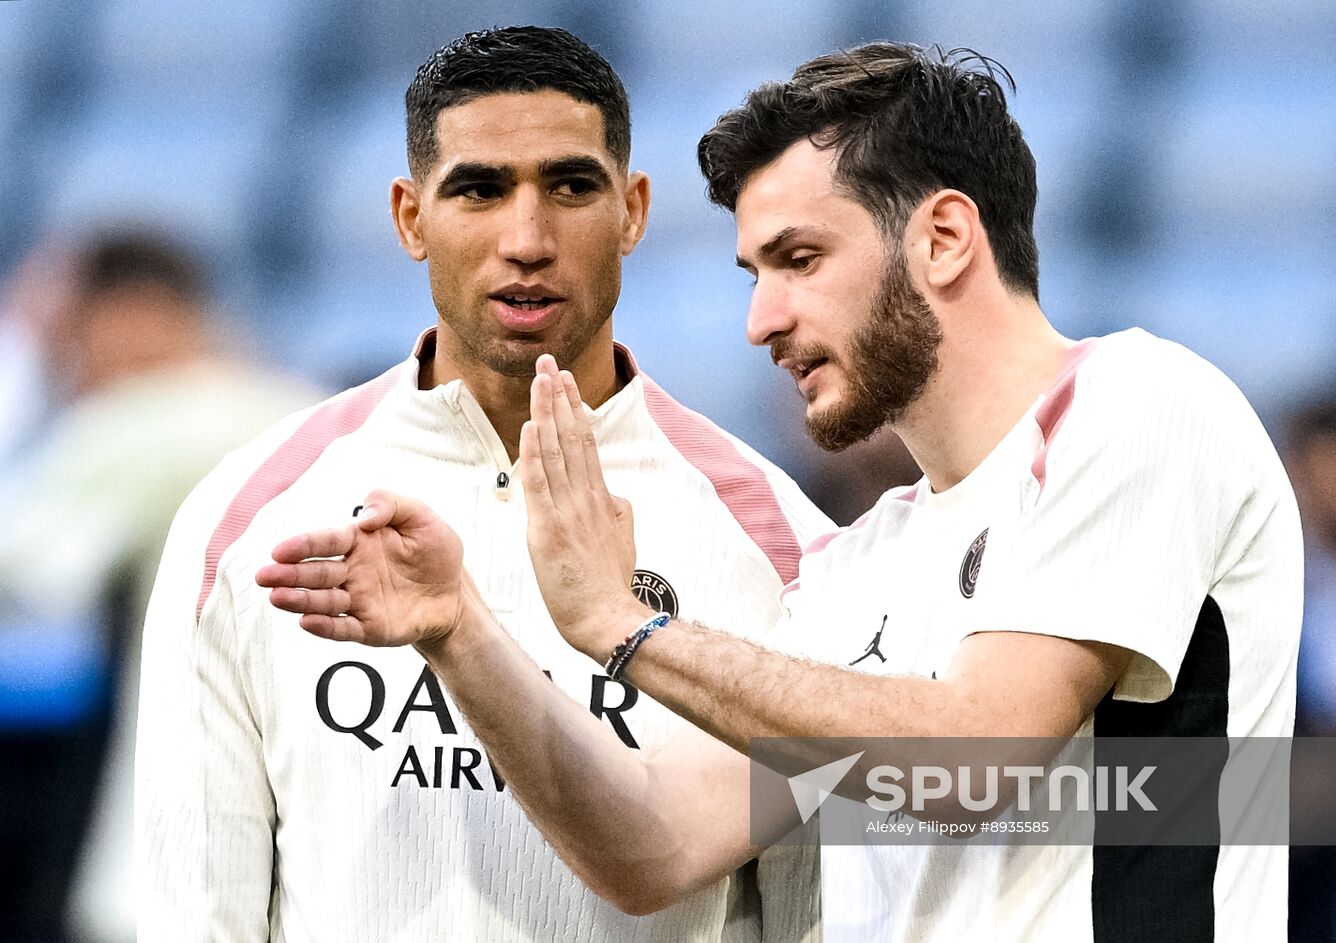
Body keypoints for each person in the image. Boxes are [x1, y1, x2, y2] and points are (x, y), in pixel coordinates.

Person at [260, 42, 1304, 941]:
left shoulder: (1135, 403)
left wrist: (626, 627)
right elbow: (653, 847)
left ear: (943, 238)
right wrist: (461, 633)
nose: (761, 320)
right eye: (753, 274)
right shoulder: (857, 566)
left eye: (799, 259)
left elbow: (975, 760)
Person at [134, 25, 828, 943]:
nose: (527, 240)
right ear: (410, 218)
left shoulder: (784, 547)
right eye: (479, 189)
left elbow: (820, 917)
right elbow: (196, 915)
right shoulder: (246, 519)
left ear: (633, 210)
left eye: (571, 186)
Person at [0, 229, 316, 943]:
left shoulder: (146, 420)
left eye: (71, 334)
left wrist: (16, 360)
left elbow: (21, 569)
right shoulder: (306, 407)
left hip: (181, 856)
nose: (66, 362)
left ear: (131, 315)